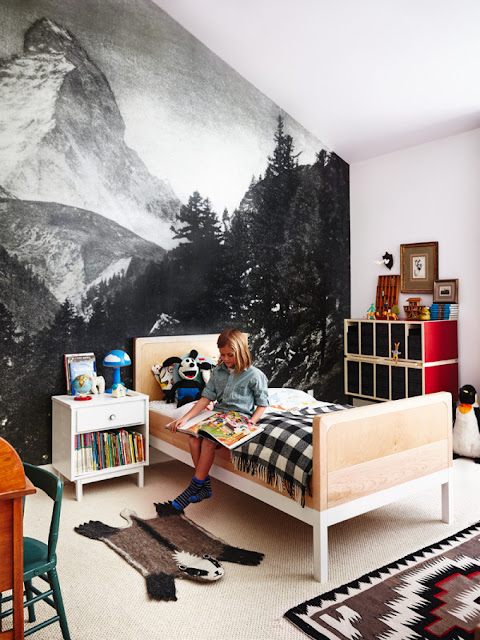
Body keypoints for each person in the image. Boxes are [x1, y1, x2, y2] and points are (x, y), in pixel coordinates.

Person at [169, 329, 269, 510]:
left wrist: (253, 421)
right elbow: (206, 398)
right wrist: (185, 418)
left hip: (238, 418)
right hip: (218, 415)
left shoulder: (254, 375)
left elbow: (262, 404)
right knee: (193, 439)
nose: (226, 359)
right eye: (222, 354)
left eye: (230, 355)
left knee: (207, 441)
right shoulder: (218, 372)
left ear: (241, 351)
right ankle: (205, 487)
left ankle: (194, 486)